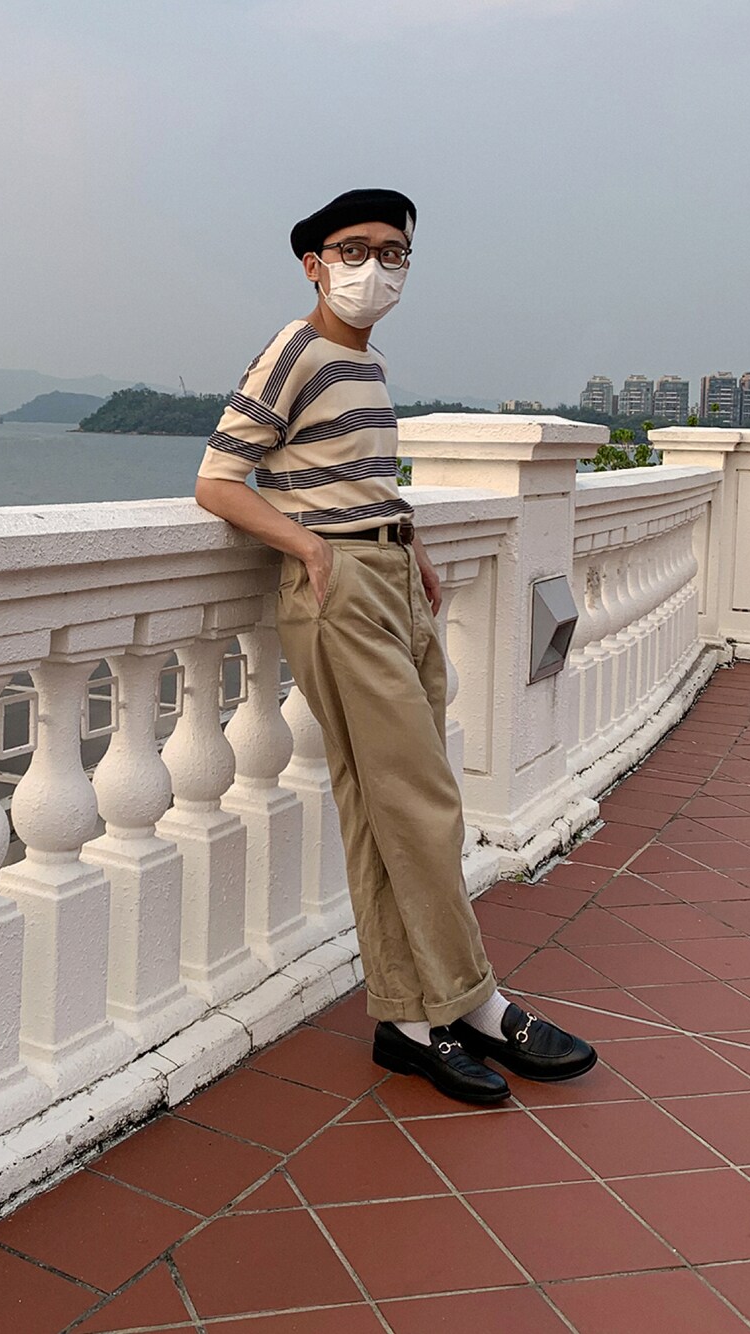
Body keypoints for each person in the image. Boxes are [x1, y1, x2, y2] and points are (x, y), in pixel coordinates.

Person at [195, 188, 596, 1103]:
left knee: (387, 809)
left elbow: (353, 473)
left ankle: (410, 1022)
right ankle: (478, 1003)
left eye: (393, 252)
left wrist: (406, 538)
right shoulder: (295, 351)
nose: (374, 268)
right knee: (422, 803)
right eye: (355, 249)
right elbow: (219, 479)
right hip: (338, 590)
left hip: (390, 581)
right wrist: (310, 550)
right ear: (314, 264)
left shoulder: (366, 364)